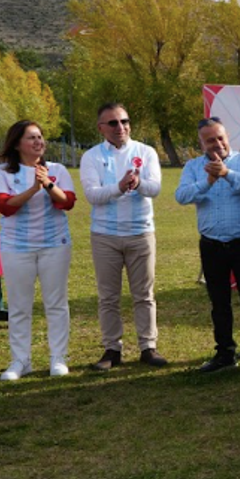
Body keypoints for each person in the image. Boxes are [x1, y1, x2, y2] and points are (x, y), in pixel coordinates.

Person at [175, 118, 240, 374]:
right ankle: (225, 352)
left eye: (220, 138)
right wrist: (208, 181)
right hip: (212, 245)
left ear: (228, 137)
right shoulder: (194, 166)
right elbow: (181, 196)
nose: (217, 144)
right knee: (219, 303)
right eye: (210, 140)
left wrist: (227, 174)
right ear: (201, 144)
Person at [80, 103, 166, 371]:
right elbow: (92, 195)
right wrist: (118, 187)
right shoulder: (91, 157)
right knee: (108, 297)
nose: (121, 127)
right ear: (101, 128)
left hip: (140, 232)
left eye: (124, 121)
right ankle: (112, 348)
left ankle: (148, 347)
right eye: (113, 123)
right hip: (105, 235)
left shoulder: (145, 152)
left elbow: (155, 188)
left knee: (144, 294)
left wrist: (138, 184)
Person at [0, 120, 76, 380]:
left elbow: (68, 202)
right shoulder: (2, 172)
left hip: (55, 245)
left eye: (40, 137)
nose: (38, 142)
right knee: (19, 306)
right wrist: (33, 189)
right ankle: (20, 361)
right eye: (31, 138)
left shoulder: (57, 170)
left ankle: (58, 358)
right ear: (17, 144)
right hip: (16, 247)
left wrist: (48, 184)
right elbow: (5, 206)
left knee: (56, 303)